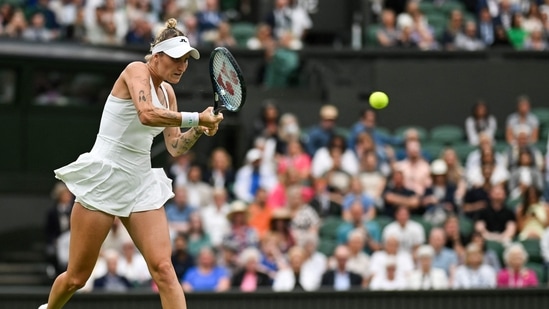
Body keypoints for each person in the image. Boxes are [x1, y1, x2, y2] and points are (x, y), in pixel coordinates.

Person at [38, 18, 223, 309]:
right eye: (176, 59)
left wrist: (199, 129)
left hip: (140, 185)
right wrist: (197, 118)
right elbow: (146, 114)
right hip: (105, 178)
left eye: (186, 60)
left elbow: (174, 146)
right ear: (157, 56)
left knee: (164, 269)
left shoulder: (169, 93)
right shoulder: (136, 70)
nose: (182, 66)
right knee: (76, 278)